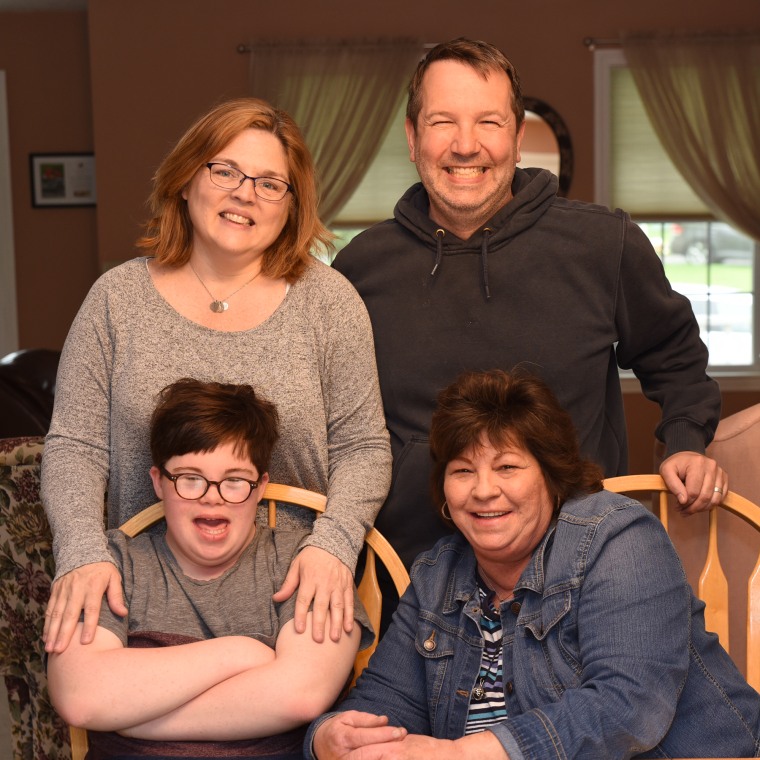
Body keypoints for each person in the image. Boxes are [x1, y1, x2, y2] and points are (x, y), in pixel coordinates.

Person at [332, 37, 725, 570]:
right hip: (409, 577)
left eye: (489, 123)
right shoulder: (359, 270)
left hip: (578, 572)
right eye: (443, 121)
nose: (465, 145)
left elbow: (676, 360)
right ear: (412, 136)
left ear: (518, 139)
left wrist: (684, 441)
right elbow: (337, 426)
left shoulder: (603, 245)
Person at [41, 97, 391, 654]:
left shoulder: (330, 303)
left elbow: (364, 447)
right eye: (225, 170)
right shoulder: (116, 300)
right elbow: (75, 446)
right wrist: (82, 550)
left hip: (293, 597)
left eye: (270, 183)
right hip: (143, 598)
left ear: (291, 206)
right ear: (185, 181)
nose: (245, 193)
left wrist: (334, 545)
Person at [307, 369, 760, 760]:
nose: (483, 490)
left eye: (506, 467)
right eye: (463, 471)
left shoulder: (617, 537)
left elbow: (628, 705)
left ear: (551, 474)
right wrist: (330, 736)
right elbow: (384, 702)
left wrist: (462, 752)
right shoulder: (436, 576)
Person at [48, 378, 372, 759]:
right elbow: (81, 698)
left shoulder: (306, 565)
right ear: (158, 482)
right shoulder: (113, 565)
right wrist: (239, 653)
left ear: (261, 486)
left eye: (235, 481)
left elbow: (299, 697)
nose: (212, 498)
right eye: (190, 479)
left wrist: (128, 714)